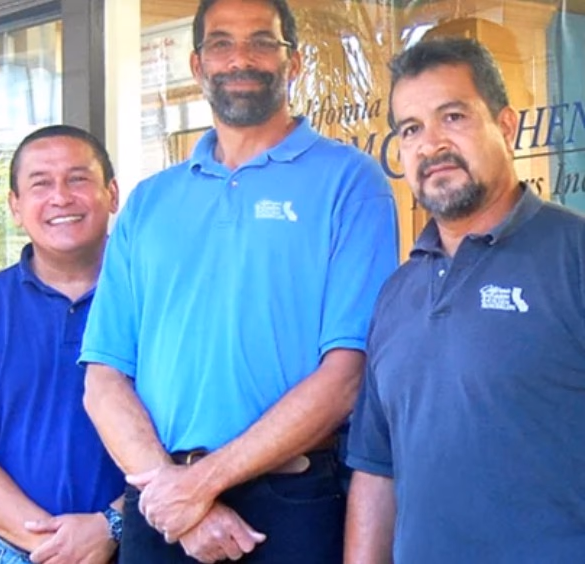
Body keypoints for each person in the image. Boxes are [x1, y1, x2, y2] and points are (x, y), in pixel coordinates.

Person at [80, 0, 399, 562]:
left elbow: (348, 374)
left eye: (262, 42)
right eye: (221, 44)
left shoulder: (351, 182)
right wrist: (178, 496)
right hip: (159, 503)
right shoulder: (149, 202)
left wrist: (199, 487)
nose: (241, 59)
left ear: (293, 63)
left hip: (291, 500)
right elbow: (103, 380)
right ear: (197, 64)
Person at [345, 37, 585, 563]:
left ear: (507, 126)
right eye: (411, 129)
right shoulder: (397, 294)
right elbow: (377, 471)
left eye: (452, 117)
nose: (430, 145)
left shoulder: (574, 256)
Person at [0, 125, 125, 564]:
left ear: (112, 193)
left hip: (149, 544)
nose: (61, 197)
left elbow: (195, 432)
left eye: (78, 179)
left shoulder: (159, 299)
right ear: (15, 206)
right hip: (24, 554)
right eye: (40, 184)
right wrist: (55, 546)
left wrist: (112, 524)